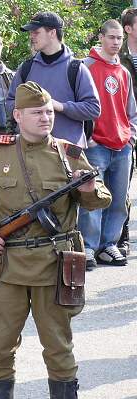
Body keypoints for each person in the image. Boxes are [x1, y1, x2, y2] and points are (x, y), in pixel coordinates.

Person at [0, 82, 111, 399]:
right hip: (8, 266)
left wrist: (90, 189)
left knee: (58, 346)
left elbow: (101, 199)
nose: (46, 117)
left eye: (48, 112)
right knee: (0, 345)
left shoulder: (69, 154)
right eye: (37, 112)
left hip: (54, 265)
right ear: (18, 116)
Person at [80, 20, 137, 270]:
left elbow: (131, 110)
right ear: (101, 37)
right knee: (93, 198)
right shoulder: (86, 67)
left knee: (118, 199)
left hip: (122, 145)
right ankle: (88, 247)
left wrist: (131, 137)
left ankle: (109, 245)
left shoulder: (124, 72)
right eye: (111, 37)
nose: (115, 42)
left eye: (119, 38)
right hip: (96, 145)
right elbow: (79, 105)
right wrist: (86, 137)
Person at [6, 11, 101, 148]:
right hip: (30, 151)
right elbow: (10, 102)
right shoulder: (26, 68)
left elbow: (93, 109)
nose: (31, 36)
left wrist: (60, 106)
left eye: (36, 32)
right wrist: (30, 108)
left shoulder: (76, 68)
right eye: (31, 33)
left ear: (52, 33)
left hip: (67, 152)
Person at [118, 7, 137, 257]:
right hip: (126, 127)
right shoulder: (117, 57)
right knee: (123, 186)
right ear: (128, 28)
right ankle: (121, 238)